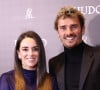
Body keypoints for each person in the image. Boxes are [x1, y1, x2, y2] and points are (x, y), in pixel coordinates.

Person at [49, 6, 100, 90]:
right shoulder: (53, 63)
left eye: (74, 26)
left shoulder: (98, 56)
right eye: (63, 28)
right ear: (58, 32)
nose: (69, 32)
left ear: (83, 29)